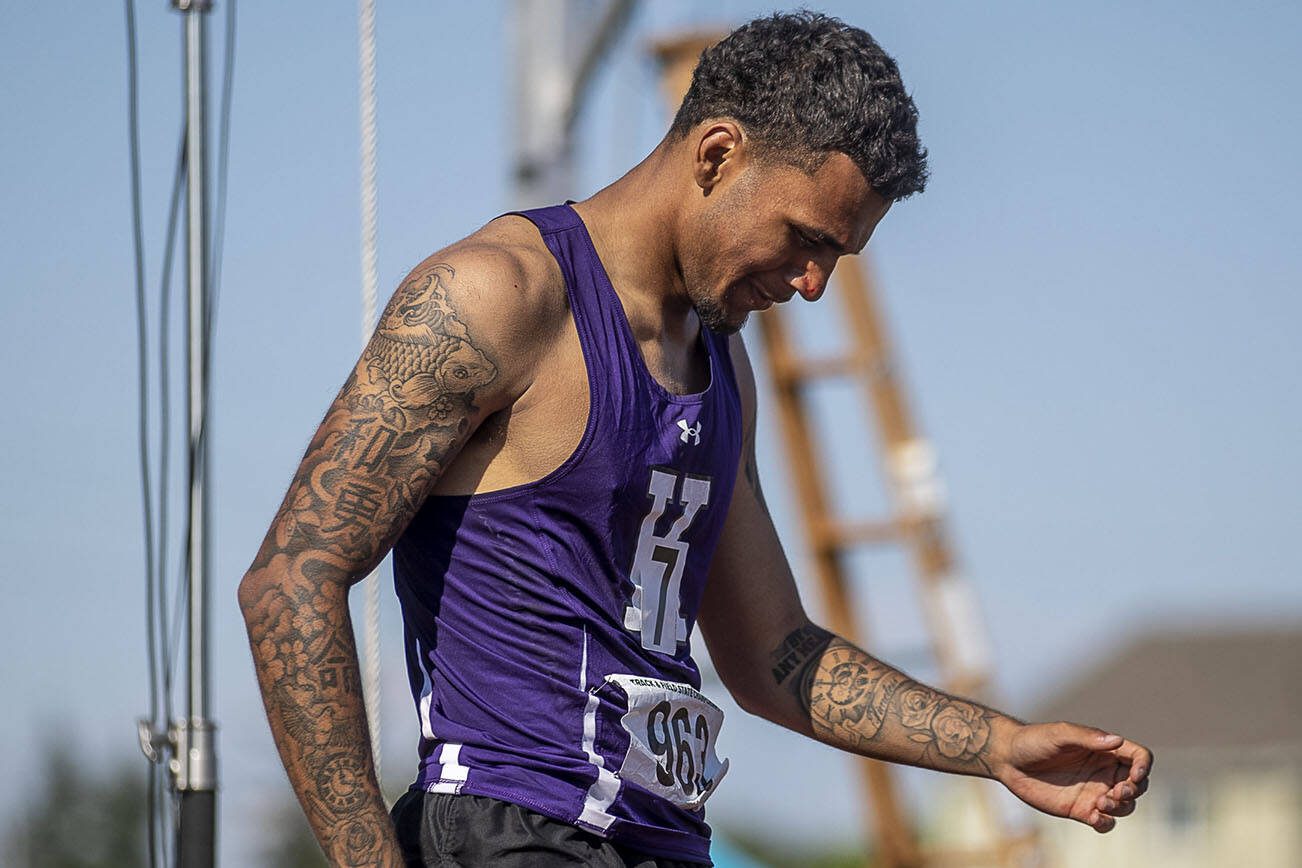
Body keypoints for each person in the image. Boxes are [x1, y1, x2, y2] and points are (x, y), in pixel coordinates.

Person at [238, 11, 1152, 867]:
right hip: (508, 829)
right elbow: (289, 581)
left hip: (665, 839)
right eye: (804, 239)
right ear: (717, 153)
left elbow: (775, 656)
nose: (812, 283)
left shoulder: (724, 365)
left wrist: (998, 745)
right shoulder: (494, 297)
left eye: (837, 256)